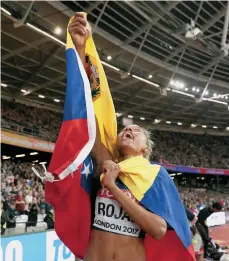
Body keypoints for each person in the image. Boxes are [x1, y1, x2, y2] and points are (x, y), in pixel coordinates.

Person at [68, 13, 191, 261]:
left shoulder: (155, 175)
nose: (129, 130)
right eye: (126, 129)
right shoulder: (108, 161)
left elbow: (158, 229)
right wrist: (81, 50)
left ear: (145, 149)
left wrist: (113, 186)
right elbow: (87, 110)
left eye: (137, 132)